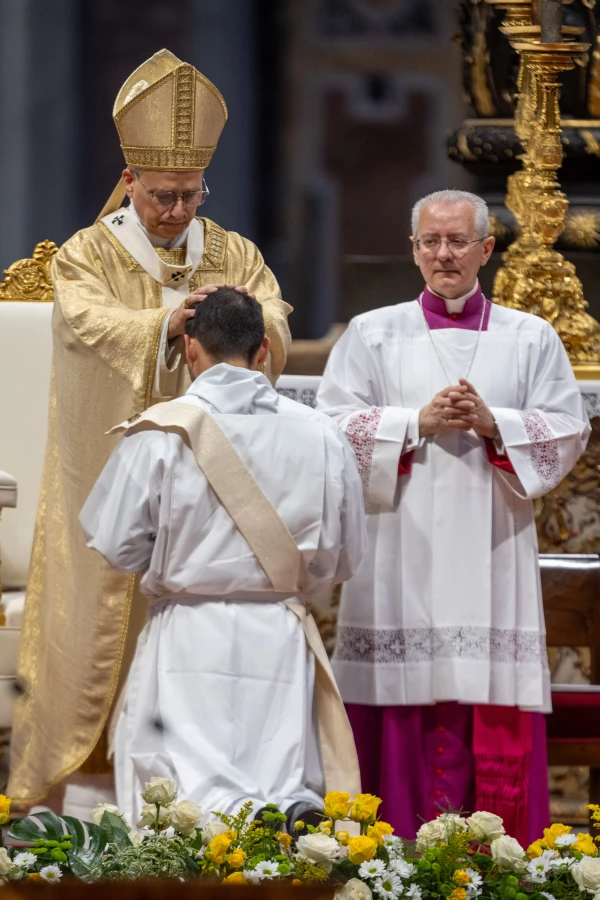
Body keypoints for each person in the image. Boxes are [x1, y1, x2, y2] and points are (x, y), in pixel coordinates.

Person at [9, 49, 292, 810]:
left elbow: (276, 320)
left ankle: (194, 803)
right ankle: (67, 791)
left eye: (189, 195)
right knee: (95, 624)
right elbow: (86, 326)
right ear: (130, 182)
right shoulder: (86, 254)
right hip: (109, 476)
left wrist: (243, 318)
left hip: (210, 490)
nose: (175, 211)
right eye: (162, 195)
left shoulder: (233, 251)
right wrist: (165, 323)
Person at [317, 189, 590, 844]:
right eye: (430, 242)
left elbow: (567, 429)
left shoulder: (531, 337)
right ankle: (385, 853)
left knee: (483, 692)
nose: (444, 254)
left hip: (492, 547)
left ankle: (494, 856)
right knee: (399, 698)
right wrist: (416, 423)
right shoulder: (372, 333)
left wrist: (496, 424)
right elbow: (329, 429)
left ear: (486, 249)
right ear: (413, 251)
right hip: (398, 552)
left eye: (458, 241)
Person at [78, 288, 365, 826]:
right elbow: (343, 558)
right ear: (263, 351)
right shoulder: (323, 434)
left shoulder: (159, 431)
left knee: (180, 806)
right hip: (279, 633)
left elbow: (117, 544)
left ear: (190, 350)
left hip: (188, 633)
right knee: (277, 791)